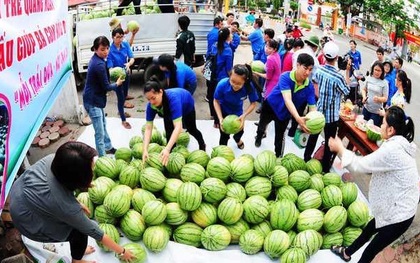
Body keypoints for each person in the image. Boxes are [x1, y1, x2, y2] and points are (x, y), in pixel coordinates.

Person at [9, 142, 136, 262]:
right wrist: (122, 251)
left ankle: (77, 251)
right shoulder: (66, 207)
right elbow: (95, 232)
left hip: (18, 193)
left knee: (73, 222)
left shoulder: (55, 160)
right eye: (91, 169)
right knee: (78, 232)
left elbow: (58, 190)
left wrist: (76, 202)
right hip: (26, 222)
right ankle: (77, 260)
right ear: (78, 178)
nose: (94, 169)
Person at [329, 106, 419, 263]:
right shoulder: (400, 143)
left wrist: (340, 149)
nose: (381, 126)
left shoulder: (393, 149)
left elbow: (360, 166)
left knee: (370, 252)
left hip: (400, 216)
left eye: (383, 123)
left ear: (391, 130)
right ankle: (347, 252)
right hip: (394, 205)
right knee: (369, 229)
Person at [254, 53, 316, 157]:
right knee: (262, 124)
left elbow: (312, 107)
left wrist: (313, 122)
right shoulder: (285, 77)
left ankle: (278, 156)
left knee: (280, 136)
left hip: (285, 114)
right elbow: (288, 99)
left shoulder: (309, 87)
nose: (307, 72)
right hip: (271, 106)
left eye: (310, 69)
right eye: (305, 68)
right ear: (297, 65)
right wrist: (297, 118)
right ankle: (259, 137)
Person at [303, 41, 351, 172]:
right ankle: (324, 168)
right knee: (330, 143)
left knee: (313, 136)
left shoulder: (319, 70)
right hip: (331, 116)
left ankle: (306, 158)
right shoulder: (338, 77)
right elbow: (347, 91)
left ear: (324, 55)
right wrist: (347, 71)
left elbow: (314, 83)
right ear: (336, 58)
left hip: (318, 112)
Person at [142, 78, 206, 165]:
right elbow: (148, 128)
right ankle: (170, 160)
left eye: (153, 98)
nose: (151, 102)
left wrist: (167, 149)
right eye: (148, 99)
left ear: (160, 92)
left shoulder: (173, 99)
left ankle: (202, 144)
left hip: (186, 104)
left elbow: (178, 127)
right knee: (169, 131)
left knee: (191, 129)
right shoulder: (151, 106)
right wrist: (145, 149)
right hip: (167, 108)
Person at [83, 36, 123, 156]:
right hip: (92, 101)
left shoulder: (98, 59)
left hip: (96, 98)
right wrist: (117, 83)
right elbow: (106, 86)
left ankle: (108, 147)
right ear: (95, 49)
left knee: (103, 124)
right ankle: (102, 157)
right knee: (99, 132)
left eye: (107, 48)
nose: (105, 51)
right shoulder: (98, 65)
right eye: (102, 49)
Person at [214, 64, 259, 148]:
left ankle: (237, 140)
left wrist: (244, 116)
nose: (235, 85)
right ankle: (223, 149)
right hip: (224, 112)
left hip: (238, 113)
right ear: (230, 76)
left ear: (245, 81)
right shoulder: (222, 84)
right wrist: (220, 118)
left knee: (239, 131)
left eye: (239, 83)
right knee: (224, 135)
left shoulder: (249, 87)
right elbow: (216, 101)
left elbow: (253, 103)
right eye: (232, 81)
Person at [107, 28, 135, 129]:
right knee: (120, 98)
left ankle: (121, 110)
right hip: (117, 77)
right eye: (117, 37)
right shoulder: (109, 49)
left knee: (125, 94)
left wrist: (129, 63)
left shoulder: (125, 45)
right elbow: (110, 66)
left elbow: (132, 58)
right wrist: (112, 73)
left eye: (121, 36)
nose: (120, 39)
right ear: (113, 37)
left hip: (126, 73)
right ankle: (123, 120)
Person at [206, 27, 233, 127]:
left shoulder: (214, 45)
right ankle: (217, 121)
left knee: (211, 95)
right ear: (227, 37)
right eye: (230, 34)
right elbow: (229, 69)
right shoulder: (228, 50)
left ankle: (213, 114)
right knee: (219, 99)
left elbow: (208, 57)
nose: (232, 35)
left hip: (210, 76)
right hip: (221, 78)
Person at [361, 61, 388, 126]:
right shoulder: (369, 78)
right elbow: (363, 89)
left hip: (377, 112)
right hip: (366, 108)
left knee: (370, 129)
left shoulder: (384, 83)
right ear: (372, 69)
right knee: (361, 126)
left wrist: (379, 99)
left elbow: (385, 98)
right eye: (375, 70)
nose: (377, 72)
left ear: (382, 72)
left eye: (379, 71)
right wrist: (364, 97)